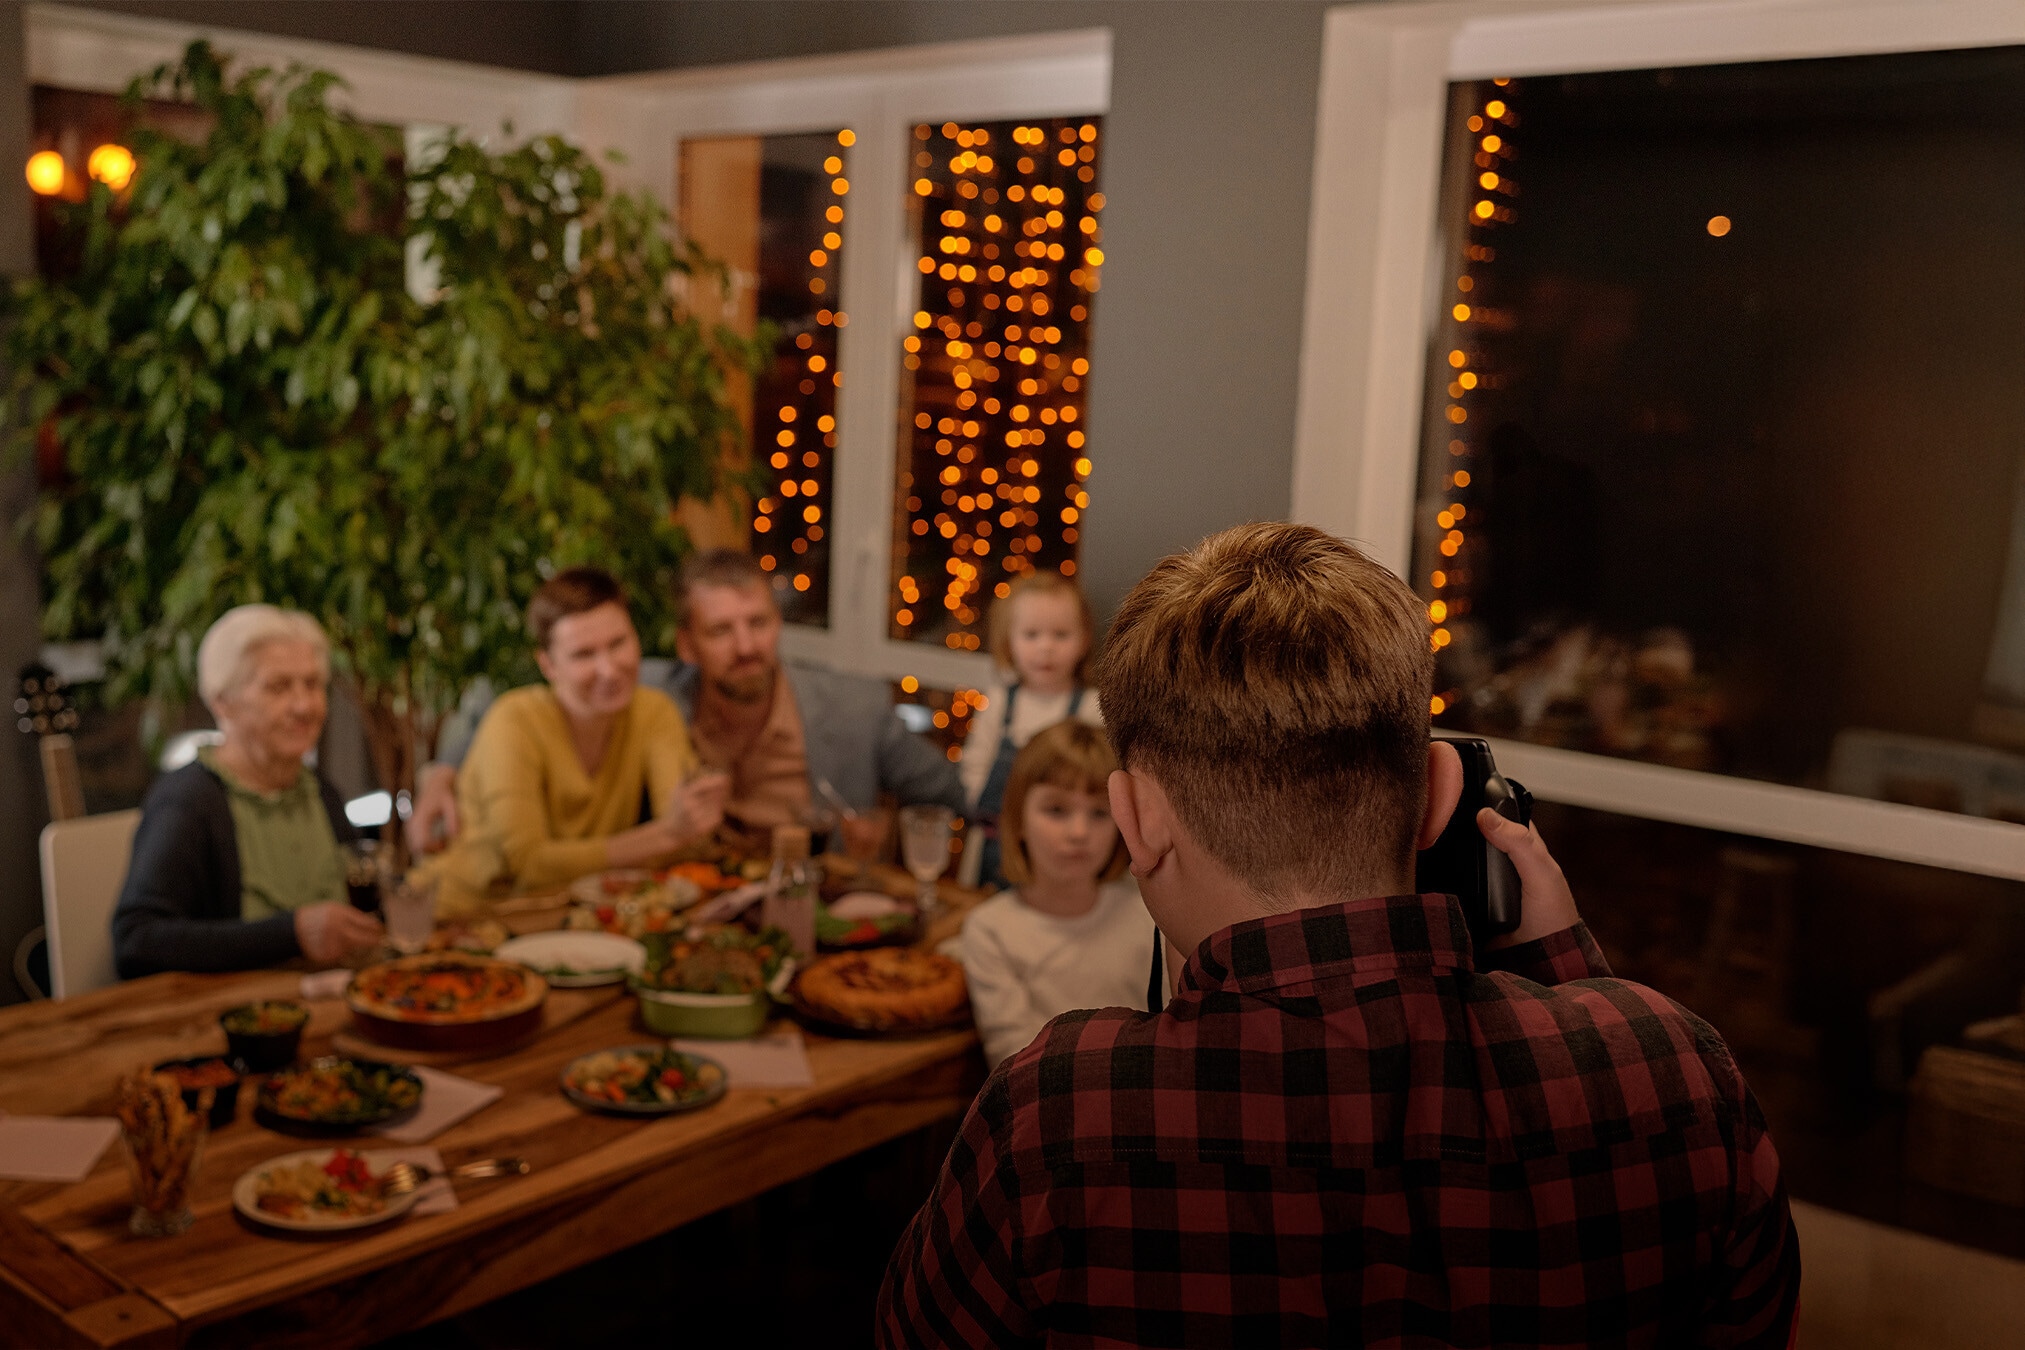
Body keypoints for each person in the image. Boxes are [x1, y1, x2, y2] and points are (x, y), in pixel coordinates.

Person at [879, 523, 1800, 1347]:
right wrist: (1567, 977)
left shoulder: (1057, 1119)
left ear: (1135, 819)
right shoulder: (1672, 1072)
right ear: (1440, 794)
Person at [409, 549, 964, 855]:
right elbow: (502, 706)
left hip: (822, 913)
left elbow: (950, 793)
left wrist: (888, 831)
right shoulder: (645, 690)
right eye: (721, 631)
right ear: (687, 645)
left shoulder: (853, 707)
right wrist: (440, 775)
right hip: (691, 903)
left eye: (759, 624)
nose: (747, 647)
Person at [420, 567, 728, 915]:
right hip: (466, 917)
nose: (609, 670)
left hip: (576, 917)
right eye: (584, 655)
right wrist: (665, 835)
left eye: (618, 644)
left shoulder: (654, 711)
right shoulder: (515, 720)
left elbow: (684, 833)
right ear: (548, 665)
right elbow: (530, 865)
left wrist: (693, 819)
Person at [113, 605, 383, 976]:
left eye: (313, 684)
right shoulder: (190, 801)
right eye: (279, 687)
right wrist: (291, 934)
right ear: (223, 703)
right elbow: (136, 942)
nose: (305, 706)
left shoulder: (318, 790)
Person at [958, 720, 1154, 1067]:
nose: (1079, 832)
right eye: (1057, 810)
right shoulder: (992, 931)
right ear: (1017, 819)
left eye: (1099, 813)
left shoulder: (1148, 918)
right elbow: (1013, 1064)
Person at [958, 571, 1104, 887]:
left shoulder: (1091, 708)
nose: (1046, 648)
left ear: (1083, 641)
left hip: (1060, 849)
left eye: (1061, 635)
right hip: (994, 844)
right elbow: (975, 764)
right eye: (1031, 635)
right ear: (1009, 642)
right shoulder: (999, 703)